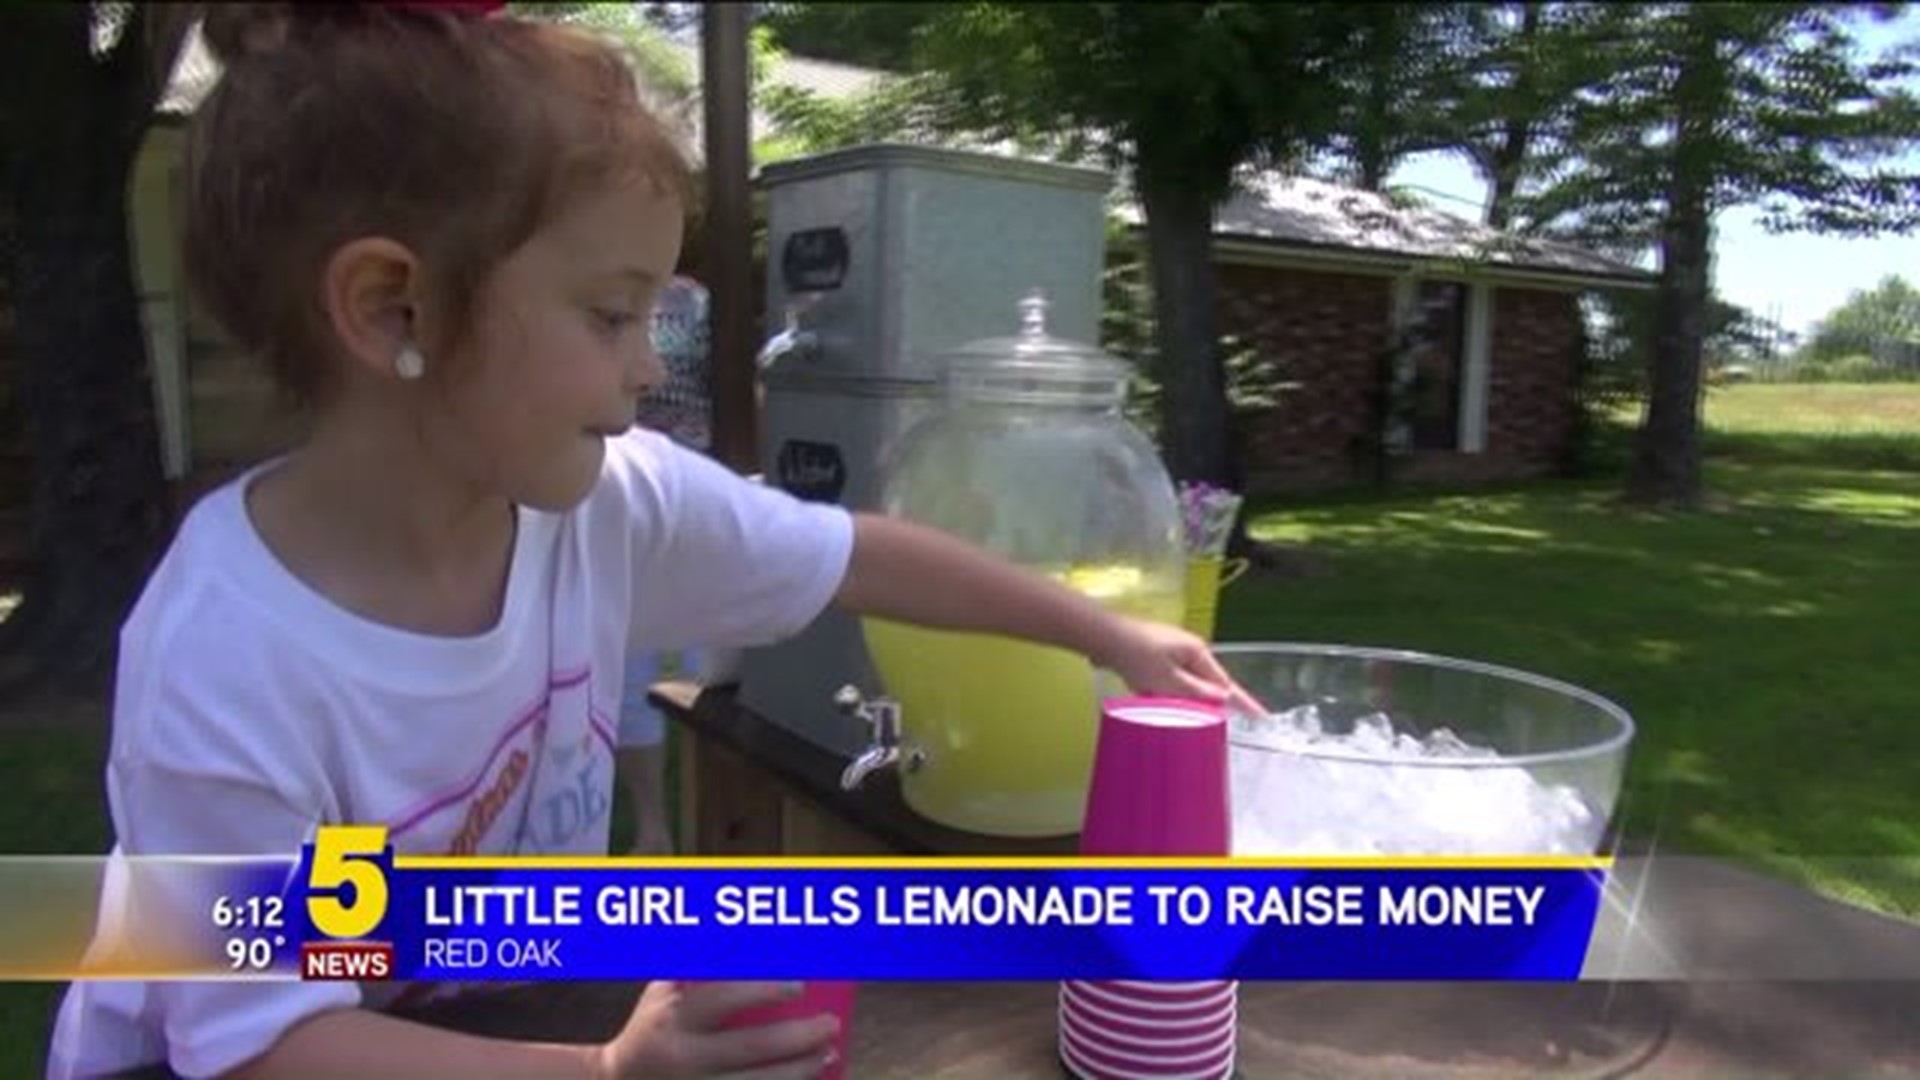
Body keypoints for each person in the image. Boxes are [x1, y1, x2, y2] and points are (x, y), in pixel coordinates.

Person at [46, 4, 1260, 1079]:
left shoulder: (606, 502)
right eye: (611, 312)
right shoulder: (227, 659)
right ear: (393, 308)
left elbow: (853, 553)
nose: (646, 365)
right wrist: (610, 1070)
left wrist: (1104, 631)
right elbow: (267, 1044)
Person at [619, 272, 712, 856]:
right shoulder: (601, 289)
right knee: (632, 654)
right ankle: (653, 826)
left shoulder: (700, 298)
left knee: (710, 660)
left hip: (701, 485)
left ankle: (712, 813)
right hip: (620, 484)